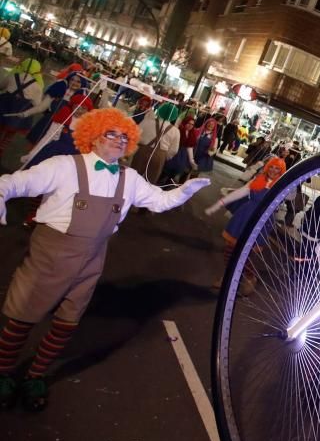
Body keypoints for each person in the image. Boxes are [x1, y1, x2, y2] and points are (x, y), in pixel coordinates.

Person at [0, 108, 210, 410]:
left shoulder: (130, 178)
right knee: (22, 318)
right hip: (50, 255)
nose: (119, 140)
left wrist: (185, 191)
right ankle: (4, 373)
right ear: (93, 136)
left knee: (66, 324)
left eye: (124, 136)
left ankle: (36, 376)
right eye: (111, 133)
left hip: (92, 258)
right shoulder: (64, 166)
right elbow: (15, 182)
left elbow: (160, 201)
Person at [206, 156, 287, 294]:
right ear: (268, 167)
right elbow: (238, 193)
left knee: (244, 254)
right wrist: (219, 204)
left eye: (277, 169)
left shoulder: (282, 186)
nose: (273, 170)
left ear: (281, 171)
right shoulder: (258, 180)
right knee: (229, 250)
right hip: (244, 217)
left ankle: (250, 277)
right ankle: (227, 277)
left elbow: (287, 201)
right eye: (272, 167)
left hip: (261, 221)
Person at [131, 102, 180, 185]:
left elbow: (135, 134)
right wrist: (164, 155)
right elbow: (174, 150)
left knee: (133, 176)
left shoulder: (148, 121)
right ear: (174, 116)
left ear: (160, 110)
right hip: (160, 155)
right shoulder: (175, 131)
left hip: (142, 150)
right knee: (150, 181)